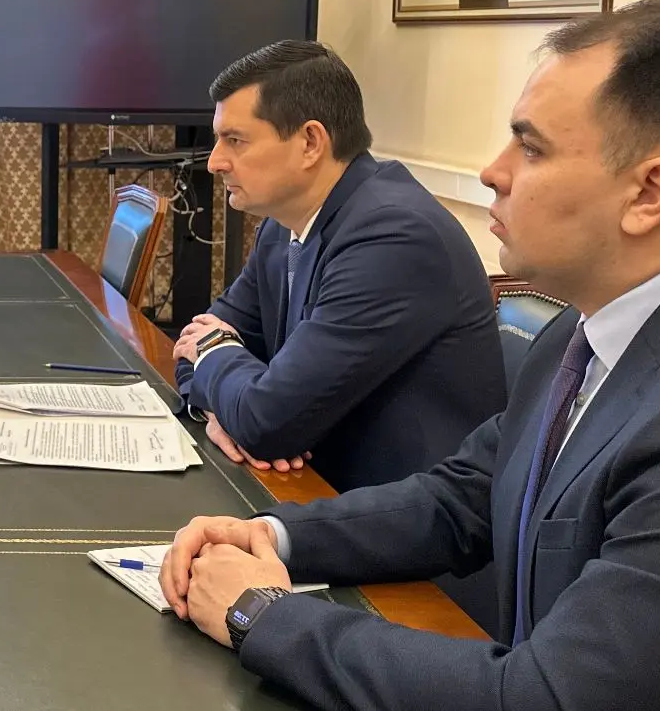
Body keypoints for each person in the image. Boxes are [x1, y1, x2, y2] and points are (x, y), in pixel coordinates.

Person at [160, 0, 660, 711]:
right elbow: (463, 496)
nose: (490, 172)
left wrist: (262, 615)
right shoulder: (592, 323)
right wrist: (275, 537)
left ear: (651, 192)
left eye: (530, 147)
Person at [174, 42, 504, 493]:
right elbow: (191, 349)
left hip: (397, 517)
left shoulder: (394, 237)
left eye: (235, 140)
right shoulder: (281, 225)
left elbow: (264, 420)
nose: (215, 162)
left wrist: (216, 357)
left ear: (310, 142)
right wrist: (219, 410)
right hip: (309, 484)